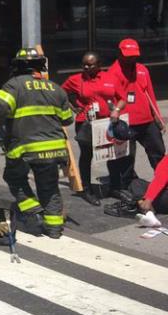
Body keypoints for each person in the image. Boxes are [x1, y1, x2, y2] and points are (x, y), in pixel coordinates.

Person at [0, 48, 74, 239]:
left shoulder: (13, 85)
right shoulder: (55, 88)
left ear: (17, 66)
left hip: (24, 148)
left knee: (13, 177)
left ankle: (34, 211)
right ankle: (54, 229)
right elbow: (67, 119)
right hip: (54, 148)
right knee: (49, 187)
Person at [62, 52, 125, 205]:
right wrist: (73, 106)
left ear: (99, 65)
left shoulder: (110, 78)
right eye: (84, 64)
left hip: (107, 122)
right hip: (86, 123)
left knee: (112, 154)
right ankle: (87, 189)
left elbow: (122, 98)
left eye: (90, 65)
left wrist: (117, 110)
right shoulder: (75, 79)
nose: (86, 67)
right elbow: (60, 92)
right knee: (87, 155)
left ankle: (115, 187)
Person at [107, 38, 166, 192]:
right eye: (128, 56)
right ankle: (128, 187)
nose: (131, 59)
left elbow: (150, 94)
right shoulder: (113, 72)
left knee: (158, 152)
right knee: (127, 158)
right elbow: (111, 99)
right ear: (119, 54)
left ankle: (163, 181)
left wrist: (158, 118)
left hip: (147, 121)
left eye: (134, 56)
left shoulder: (142, 69)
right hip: (126, 123)